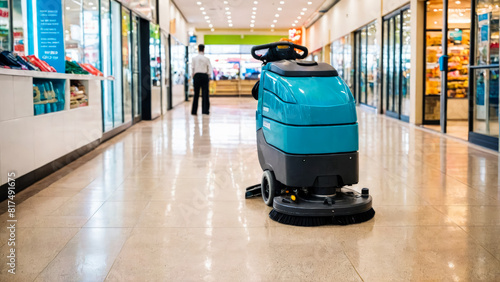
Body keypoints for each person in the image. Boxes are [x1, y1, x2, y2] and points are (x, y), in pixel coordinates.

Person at [191, 44, 212, 115]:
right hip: (204, 75)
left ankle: (194, 111)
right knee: (205, 94)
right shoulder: (206, 59)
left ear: (198, 49)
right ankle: (205, 111)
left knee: (196, 94)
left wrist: (192, 77)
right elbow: (209, 69)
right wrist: (208, 76)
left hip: (196, 76)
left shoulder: (194, 59)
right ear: (203, 49)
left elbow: (192, 69)